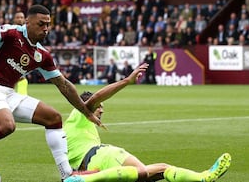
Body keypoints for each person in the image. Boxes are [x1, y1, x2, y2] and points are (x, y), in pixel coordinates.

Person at [0, 5, 102, 182]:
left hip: (8, 93)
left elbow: (63, 85)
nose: (46, 29)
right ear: (28, 21)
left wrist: (85, 111)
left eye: (48, 25)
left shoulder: (42, 54)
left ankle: (67, 175)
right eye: (41, 24)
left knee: (53, 118)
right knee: (6, 125)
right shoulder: (13, 33)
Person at [63, 63, 231, 182]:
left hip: (90, 167)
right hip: (103, 156)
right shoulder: (80, 113)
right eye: (99, 107)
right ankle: (203, 177)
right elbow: (97, 97)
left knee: (155, 173)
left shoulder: (72, 128)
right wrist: (126, 81)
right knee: (151, 172)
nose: (102, 110)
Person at [13, 11, 29, 95]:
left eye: (21, 17)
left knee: (22, 79)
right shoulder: (10, 30)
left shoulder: (27, 32)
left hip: (21, 59)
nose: (20, 19)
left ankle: (22, 98)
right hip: (10, 59)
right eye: (18, 17)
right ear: (14, 19)